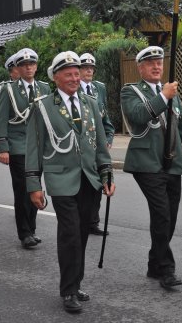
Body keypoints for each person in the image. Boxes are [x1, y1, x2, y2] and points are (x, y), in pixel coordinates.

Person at [26, 51, 115, 313]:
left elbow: (100, 143)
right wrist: (34, 185)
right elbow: (34, 147)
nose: (75, 78)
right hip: (60, 179)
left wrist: (107, 174)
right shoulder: (42, 106)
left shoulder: (90, 103)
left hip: (89, 178)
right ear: (55, 78)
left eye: (77, 73)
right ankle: (68, 290)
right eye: (69, 74)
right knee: (70, 234)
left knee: (82, 233)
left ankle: (75, 283)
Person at [120, 46, 182, 289]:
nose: (156, 67)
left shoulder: (171, 93)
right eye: (150, 63)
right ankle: (167, 270)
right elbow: (138, 116)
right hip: (146, 163)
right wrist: (164, 96)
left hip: (172, 162)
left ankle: (154, 263)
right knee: (162, 214)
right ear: (140, 68)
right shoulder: (131, 91)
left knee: (170, 218)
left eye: (159, 62)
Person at [0, 48, 51, 248]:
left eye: (32, 64)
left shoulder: (44, 88)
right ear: (18, 68)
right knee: (22, 191)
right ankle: (24, 233)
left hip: (38, 147)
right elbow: (0, 118)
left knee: (35, 188)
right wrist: (3, 147)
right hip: (18, 146)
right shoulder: (8, 90)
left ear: (36, 66)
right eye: (24, 65)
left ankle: (32, 229)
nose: (28, 68)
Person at [78, 52, 115, 236]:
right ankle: (82, 220)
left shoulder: (99, 88)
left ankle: (93, 222)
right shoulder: (73, 87)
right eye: (85, 68)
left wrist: (108, 138)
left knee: (99, 183)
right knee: (84, 185)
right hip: (82, 145)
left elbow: (104, 116)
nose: (89, 71)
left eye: (91, 68)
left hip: (98, 144)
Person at [0, 53, 19, 144]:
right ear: (10, 73)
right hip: (9, 132)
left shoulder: (33, 87)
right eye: (17, 69)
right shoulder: (1, 88)